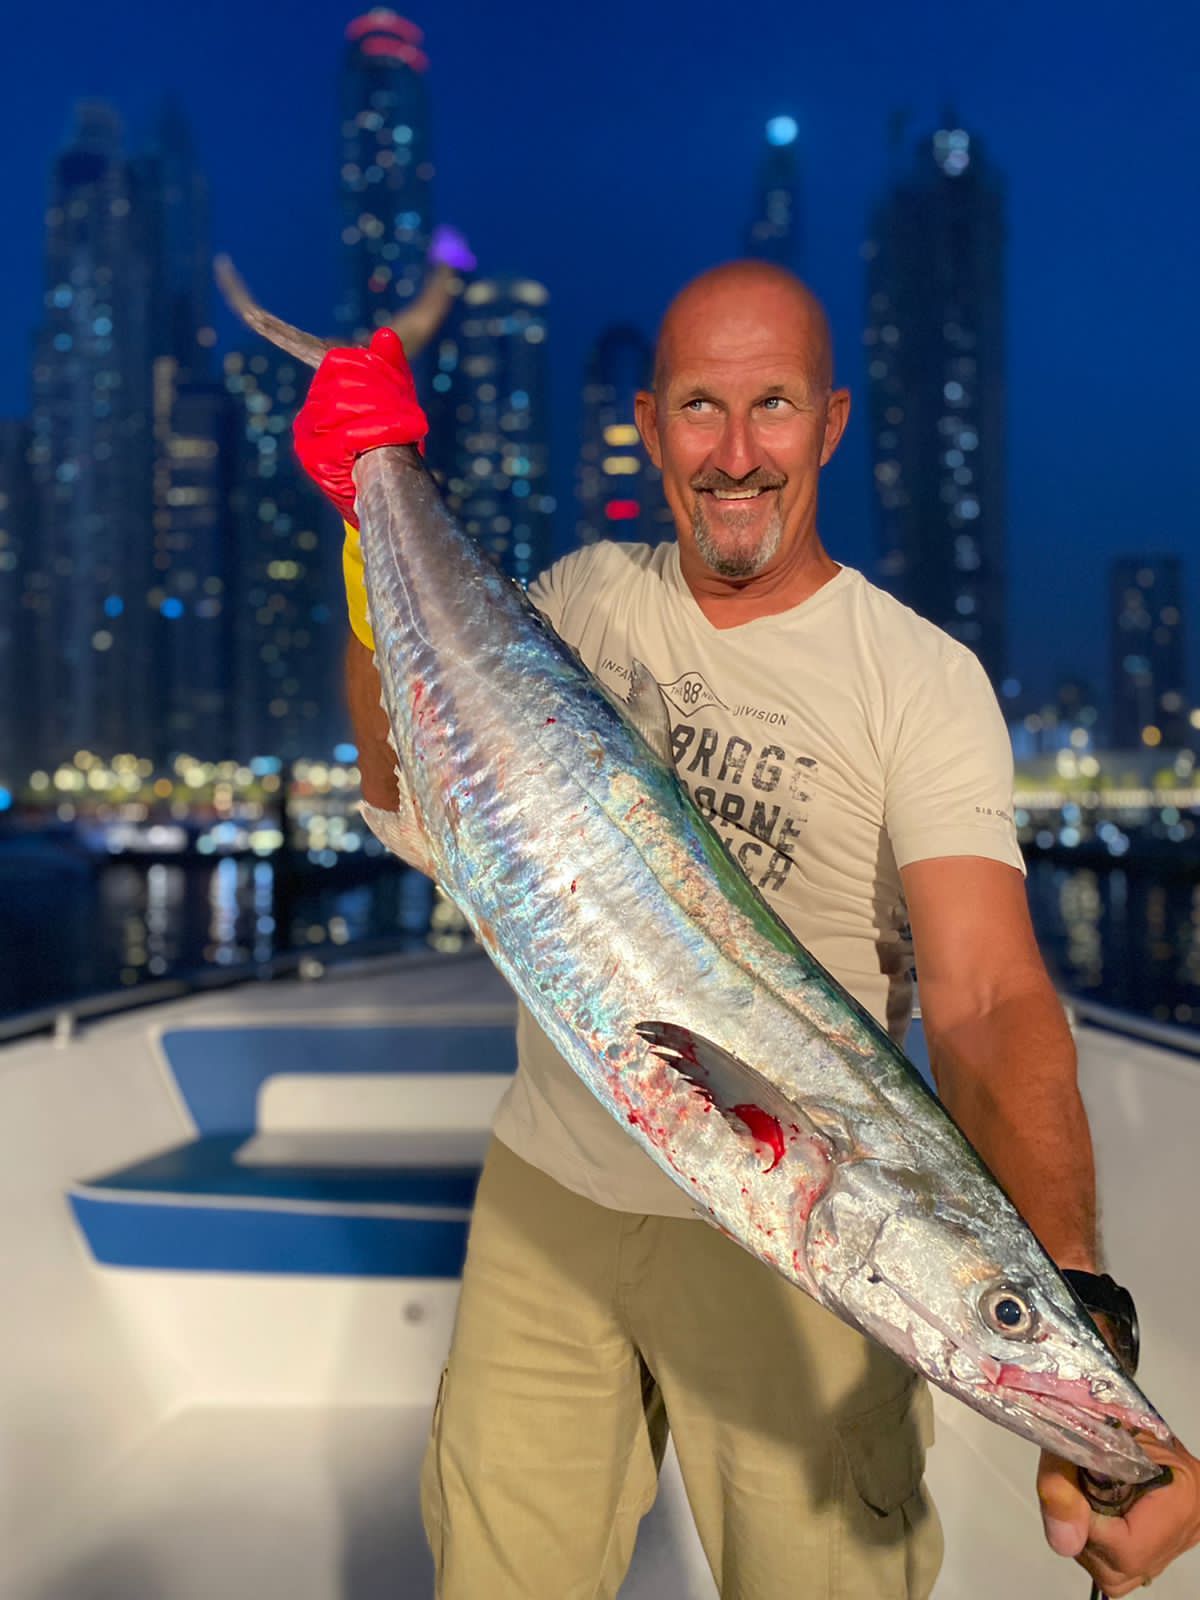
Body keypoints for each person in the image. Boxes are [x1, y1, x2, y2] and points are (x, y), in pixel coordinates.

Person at [294, 260, 1199, 1599]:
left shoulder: (917, 681)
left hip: (800, 1274)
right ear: (650, 428)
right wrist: (372, 515)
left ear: (829, 422)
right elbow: (402, 781)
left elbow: (989, 997)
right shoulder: (589, 594)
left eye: (770, 406)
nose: (734, 454)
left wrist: (1073, 1312)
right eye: (697, 410)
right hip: (554, 1203)